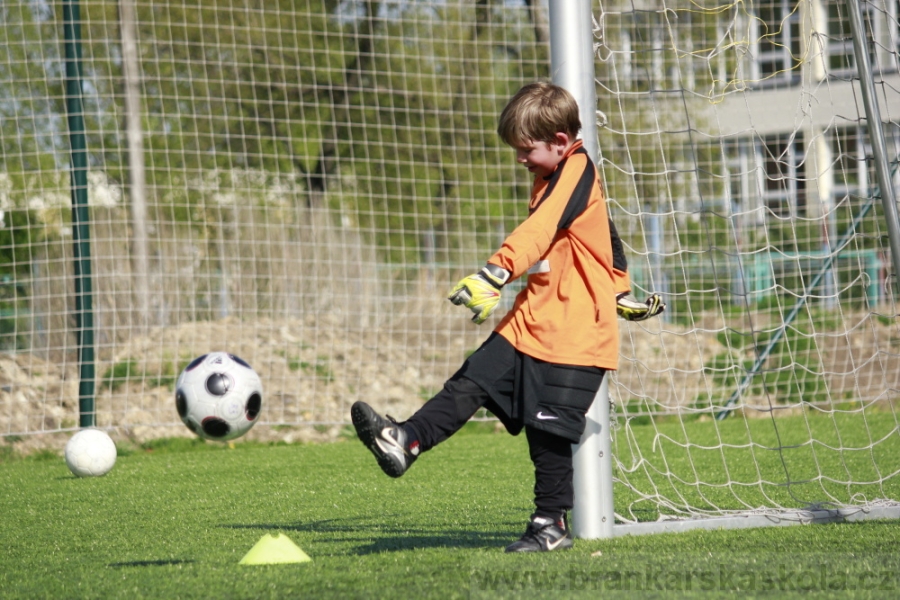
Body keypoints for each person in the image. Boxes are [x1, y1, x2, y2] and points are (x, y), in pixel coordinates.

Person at [351, 81, 662, 553]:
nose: (519, 158)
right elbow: (608, 236)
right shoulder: (552, 175)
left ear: (560, 141)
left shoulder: (577, 168)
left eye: (525, 149)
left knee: (548, 432)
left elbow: (539, 231)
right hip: (533, 318)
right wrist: (621, 287)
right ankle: (407, 439)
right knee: (470, 380)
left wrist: (495, 271)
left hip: (576, 332)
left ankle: (549, 525)